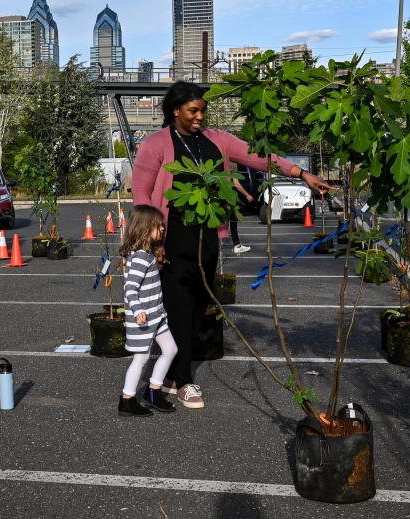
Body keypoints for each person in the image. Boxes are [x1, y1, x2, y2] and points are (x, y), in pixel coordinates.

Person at [132, 81, 331, 409]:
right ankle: (183, 380)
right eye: (192, 111)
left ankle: (169, 373)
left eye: (202, 111)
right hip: (171, 238)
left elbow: (259, 157)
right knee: (179, 309)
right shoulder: (155, 145)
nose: (199, 117)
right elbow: (142, 194)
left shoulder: (217, 140)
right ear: (175, 111)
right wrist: (150, 242)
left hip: (207, 237)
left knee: (199, 305)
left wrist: (302, 174)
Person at [118, 205, 179, 416]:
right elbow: (130, 288)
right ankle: (127, 399)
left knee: (170, 350)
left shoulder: (147, 254)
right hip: (143, 319)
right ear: (145, 229)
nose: (162, 229)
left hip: (157, 315)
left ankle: (153, 391)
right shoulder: (140, 258)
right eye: (158, 226)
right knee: (141, 358)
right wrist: (137, 311)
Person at [230, 177, 253, 254]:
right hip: (230, 198)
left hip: (221, 196)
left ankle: (236, 244)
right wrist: (247, 195)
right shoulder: (232, 165)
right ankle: (237, 245)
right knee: (233, 221)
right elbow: (236, 184)